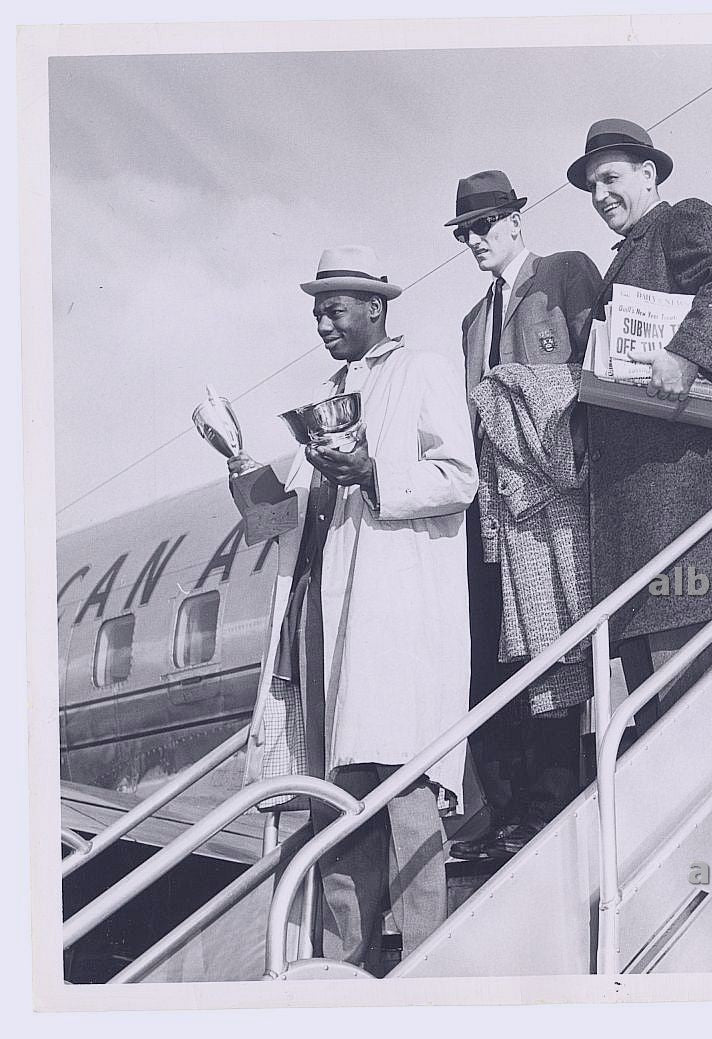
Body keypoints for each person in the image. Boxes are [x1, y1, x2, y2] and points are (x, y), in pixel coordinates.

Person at [234, 246, 477, 969]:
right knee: (340, 801)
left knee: (402, 784)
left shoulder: (423, 371)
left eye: (334, 309)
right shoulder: (326, 398)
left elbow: (458, 477)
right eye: (316, 310)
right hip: (334, 627)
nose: (322, 322)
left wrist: (374, 470)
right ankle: (346, 958)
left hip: (399, 619)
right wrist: (235, 459)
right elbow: (280, 520)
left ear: (375, 307)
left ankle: (429, 952)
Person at [567, 117, 712, 723]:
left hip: (688, 520)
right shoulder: (626, 257)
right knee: (659, 718)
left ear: (649, 175)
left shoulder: (683, 220)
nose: (601, 196)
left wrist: (688, 354)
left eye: (611, 178)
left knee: (697, 715)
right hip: (640, 531)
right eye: (591, 186)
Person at [446, 170, 601, 858]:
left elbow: (596, 368)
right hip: (494, 503)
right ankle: (506, 809)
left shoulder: (564, 273)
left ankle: (549, 802)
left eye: (484, 225)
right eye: (464, 232)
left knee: (555, 646)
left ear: (515, 220)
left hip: (555, 494)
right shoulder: (471, 321)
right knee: (496, 654)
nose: (475, 240)